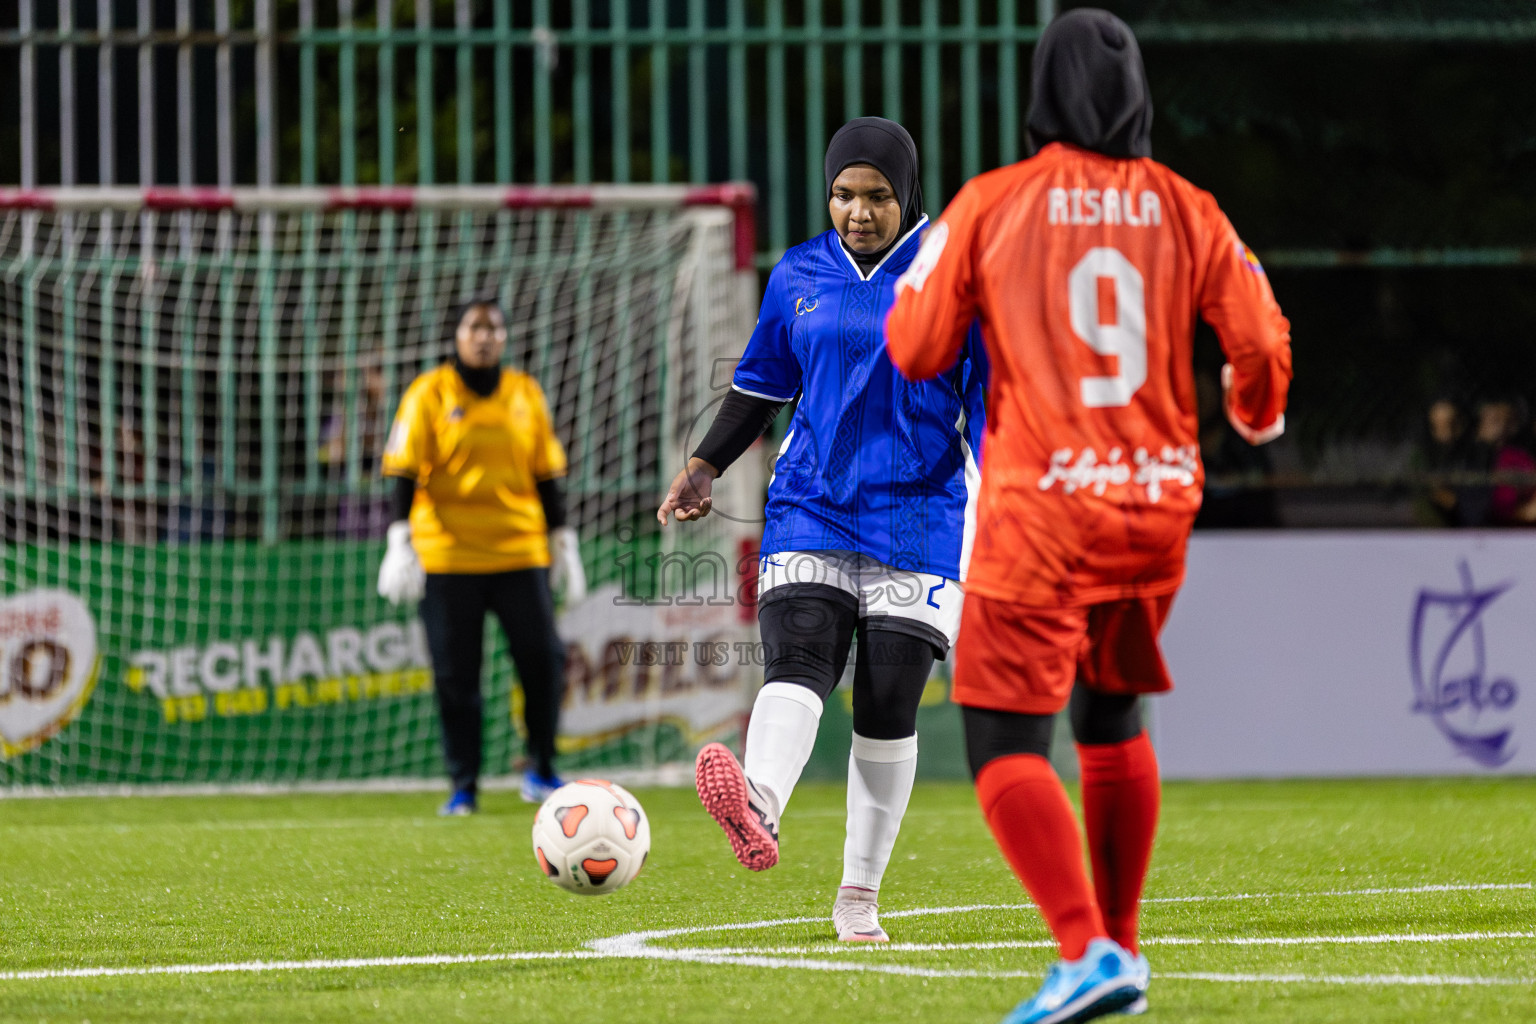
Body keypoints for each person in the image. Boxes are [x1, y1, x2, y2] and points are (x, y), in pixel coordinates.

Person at [886, 10, 1292, 1023]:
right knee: (1111, 712)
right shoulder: (1187, 206)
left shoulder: (991, 204)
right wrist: (1255, 410)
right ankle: (1120, 948)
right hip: (1155, 502)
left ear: (1042, 94)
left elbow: (917, 347)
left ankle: (1083, 949)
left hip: (1043, 505)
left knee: (1002, 735)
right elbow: (1262, 340)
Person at [657, 117, 987, 943]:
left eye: (876, 195)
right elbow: (764, 382)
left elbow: (990, 401)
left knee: (884, 701)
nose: (858, 211)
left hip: (920, 511)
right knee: (799, 654)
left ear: (906, 194)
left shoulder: (955, 275)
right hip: (811, 503)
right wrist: (706, 464)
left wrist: (1011, 495)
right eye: (843, 194)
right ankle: (760, 802)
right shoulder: (798, 273)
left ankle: (858, 896)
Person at [376, 299, 587, 815]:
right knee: (455, 676)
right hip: (448, 557)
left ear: (505, 337)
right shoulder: (429, 393)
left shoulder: (524, 392)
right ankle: (463, 786)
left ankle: (541, 769)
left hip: (520, 552)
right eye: (474, 326)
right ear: (456, 336)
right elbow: (402, 469)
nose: (485, 336)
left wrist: (564, 541)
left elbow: (546, 472)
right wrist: (399, 539)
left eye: (493, 327)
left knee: (545, 664)